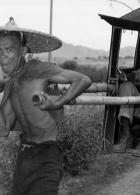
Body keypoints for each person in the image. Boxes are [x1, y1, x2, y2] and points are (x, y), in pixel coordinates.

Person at [0, 17, 91, 194]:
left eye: (9, 50)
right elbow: (3, 129)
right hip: (24, 154)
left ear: (23, 51)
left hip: (46, 155)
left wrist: (59, 101)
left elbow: (83, 80)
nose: (2, 56)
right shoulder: (11, 86)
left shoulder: (39, 70)